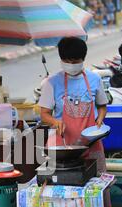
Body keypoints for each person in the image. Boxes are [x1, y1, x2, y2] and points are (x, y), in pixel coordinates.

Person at [39, 36, 109, 172]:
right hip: (61, 145)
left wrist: (100, 120)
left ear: (83, 59)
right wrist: (54, 122)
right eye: (67, 61)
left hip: (91, 143)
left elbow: (102, 106)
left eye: (75, 61)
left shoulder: (94, 79)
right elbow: (44, 114)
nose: (71, 64)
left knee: (96, 181)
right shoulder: (52, 82)